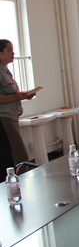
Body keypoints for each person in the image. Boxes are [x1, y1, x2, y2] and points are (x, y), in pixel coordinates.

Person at [0, 39, 37, 172]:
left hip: (13, 116)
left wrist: (25, 95)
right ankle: (21, 181)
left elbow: (11, 93)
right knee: (20, 156)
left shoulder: (6, 71)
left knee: (15, 155)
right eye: (9, 50)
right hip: (4, 119)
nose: (13, 53)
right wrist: (17, 96)